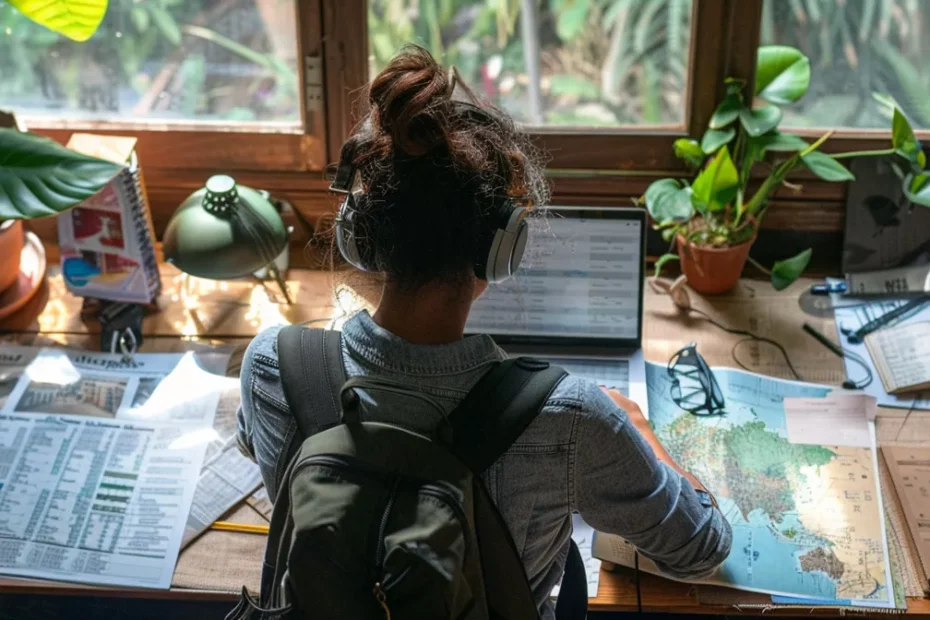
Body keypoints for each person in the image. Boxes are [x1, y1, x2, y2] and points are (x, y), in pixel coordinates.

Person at [237, 45, 731, 619]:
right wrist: (639, 431)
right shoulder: (573, 419)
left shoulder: (273, 364)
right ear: (502, 251)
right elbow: (701, 549)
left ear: (361, 236)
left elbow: (260, 446)